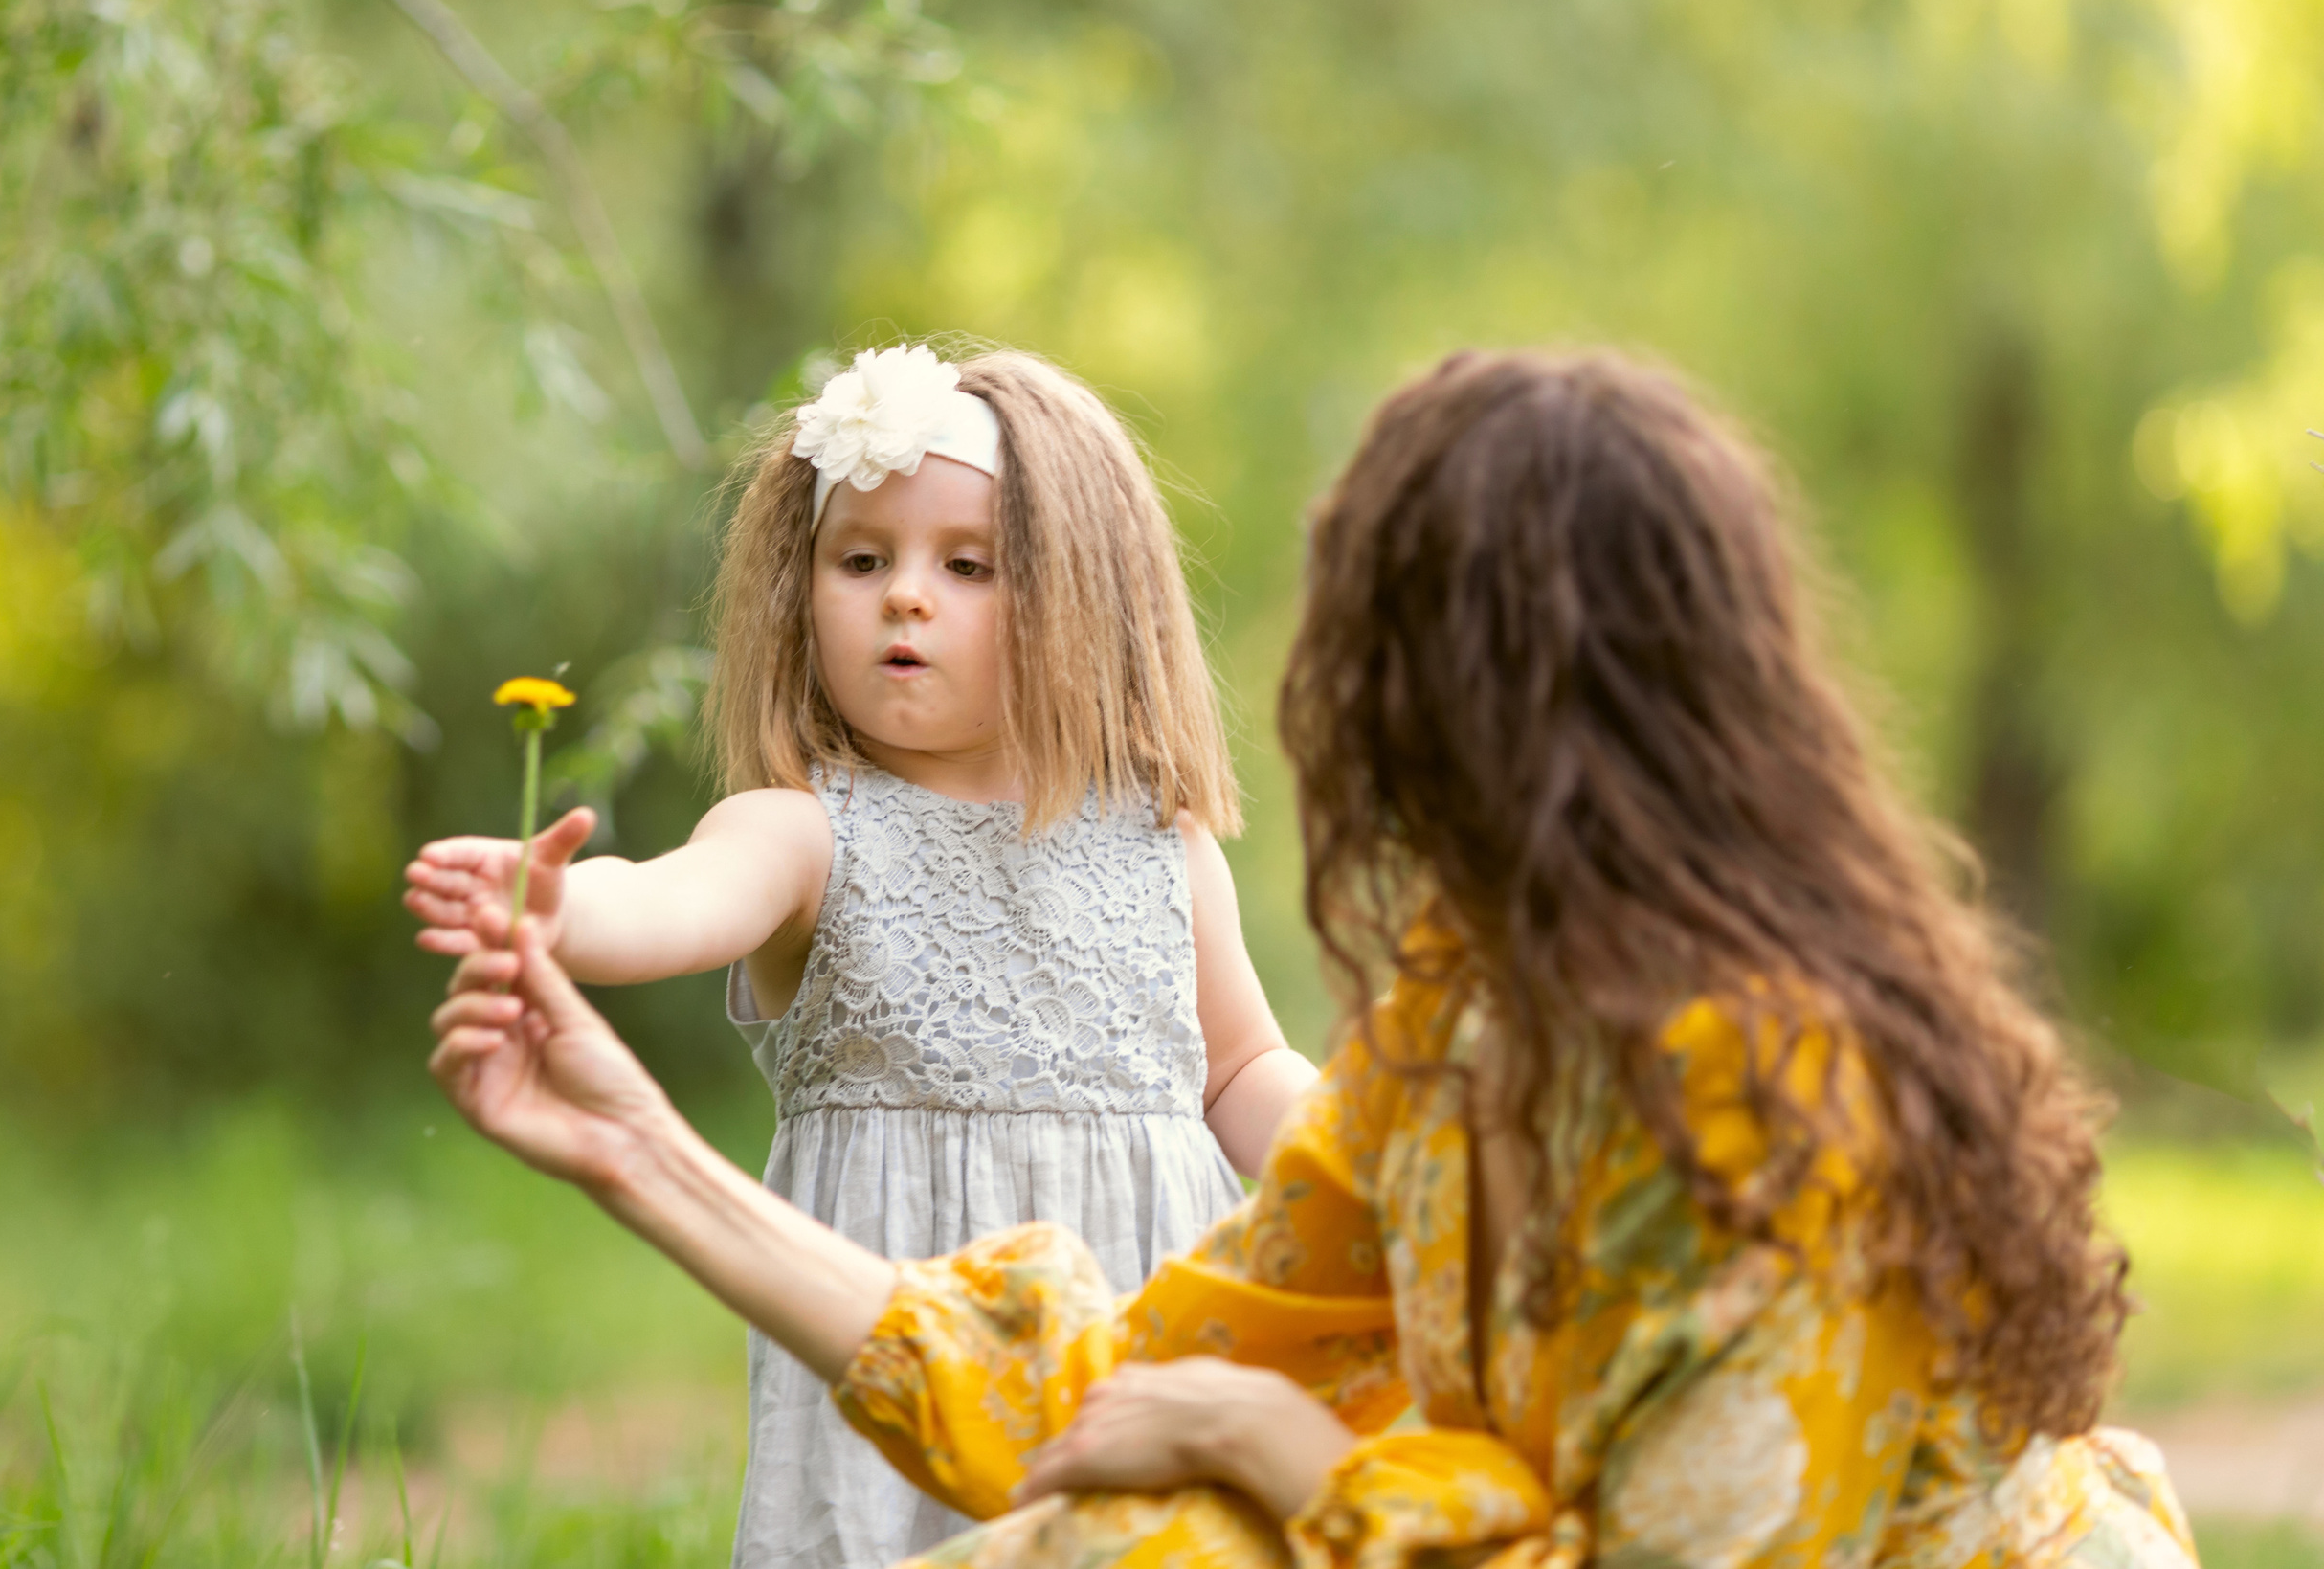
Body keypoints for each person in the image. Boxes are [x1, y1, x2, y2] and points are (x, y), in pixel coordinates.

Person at [424, 348, 2198, 1569]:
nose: (1352, 709)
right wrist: (633, 1148)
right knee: (1123, 1522)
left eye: (1401, 652)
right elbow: (1124, 1370)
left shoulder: (1770, 1104)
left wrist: (1289, 1457)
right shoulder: (1457, 1018)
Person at [403, 344, 1319, 1568]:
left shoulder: (1161, 845)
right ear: (801, 588)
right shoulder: (806, 832)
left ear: (1087, 598)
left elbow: (1241, 1069)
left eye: (968, 566)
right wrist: (560, 914)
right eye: (862, 559)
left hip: (1138, 1354)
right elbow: (676, 899)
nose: (905, 596)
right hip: (889, 1375)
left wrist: (1372, 1167)